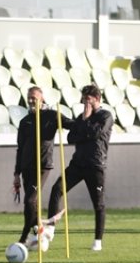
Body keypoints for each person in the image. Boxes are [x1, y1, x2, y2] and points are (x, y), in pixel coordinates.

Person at [44, 84, 112, 251]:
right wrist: (84, 125)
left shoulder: (106, 116)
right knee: (57, 189)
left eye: (88, 99)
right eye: (83, 100)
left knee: (98, 204)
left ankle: (97, 241)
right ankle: (51, 228)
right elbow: (71, 137)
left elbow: (95, 133)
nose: (85, 103)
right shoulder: (82, 116)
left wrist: (85, 123)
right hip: (78, 164)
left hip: (95, 165)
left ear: (97, 99)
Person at [13, 86, 72, 247]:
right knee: (31, 203)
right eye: (29, 97)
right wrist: (16, 173)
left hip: (42, 166)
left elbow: (70, 124)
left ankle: (27, 234)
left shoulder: (51, 115)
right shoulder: (24, 122)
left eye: (34, 97)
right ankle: (37, 233)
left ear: (42, 98)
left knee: (30, 200)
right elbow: (20, 148)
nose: (31, 100)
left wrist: (86, 122)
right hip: (26, 167)